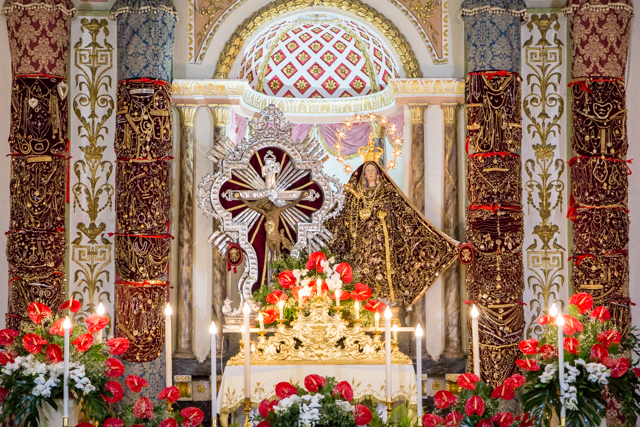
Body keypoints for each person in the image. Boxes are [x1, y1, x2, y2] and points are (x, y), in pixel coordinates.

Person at [327, 161, 458, 308]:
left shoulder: (386, 194)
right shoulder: (356, 196)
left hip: (382, 245)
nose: (370, 173)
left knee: (382, 274)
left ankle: (385, 301)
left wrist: (383, 216)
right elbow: (346, 218)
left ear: (378, 173)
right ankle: (362, 300)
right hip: (363, 246)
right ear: (363, 175)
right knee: (363, 273)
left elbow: (401, 217)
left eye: (373, 170)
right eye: (368, 171)